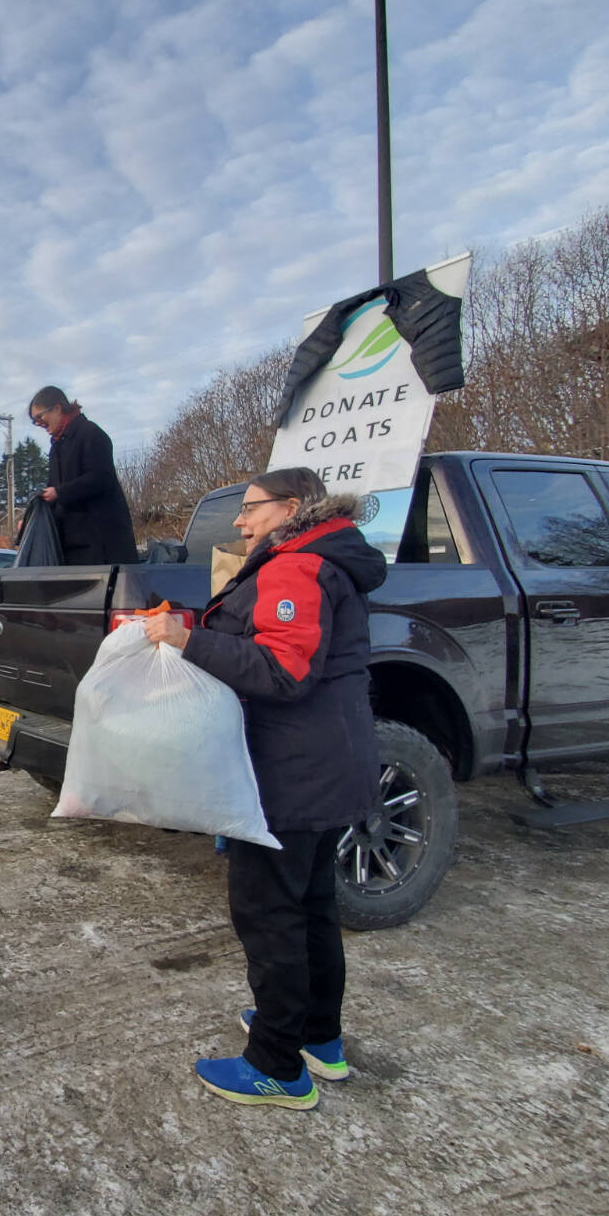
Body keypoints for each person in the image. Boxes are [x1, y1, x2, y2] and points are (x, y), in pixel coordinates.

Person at [143, 466, 386, 1110]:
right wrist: (195, 627)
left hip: (290, 773)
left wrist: (188, 640)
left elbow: (283, 670)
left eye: (251, 509)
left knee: (269, 913)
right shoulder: (320, 558)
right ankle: (318, 1040)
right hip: (327, 764)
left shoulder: (296, 567)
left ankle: (277, 1065)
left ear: (294, 508)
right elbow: (266, 639)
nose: (242, 522)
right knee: (310, 905)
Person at [30, 387, 138, 565]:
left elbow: (101, 478)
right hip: (73, 547)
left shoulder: (91, 434)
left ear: (57, 408)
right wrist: (32, 520)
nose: (39, 423)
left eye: (39, 417)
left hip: (102, 546)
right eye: (35, 421)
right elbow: (53, 493)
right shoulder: (57, 446)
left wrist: (60, 493)